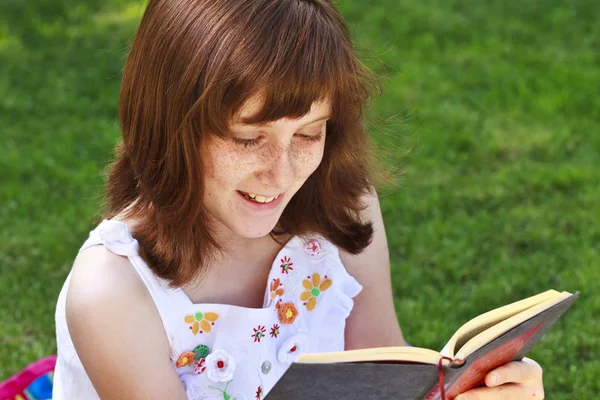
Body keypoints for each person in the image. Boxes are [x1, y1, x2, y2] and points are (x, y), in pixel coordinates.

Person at [53, 0, 545, 399]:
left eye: (309, 134)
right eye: (248, 139)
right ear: (169, 128)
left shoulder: (342, 210)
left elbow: (386, 375)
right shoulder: (113, 291)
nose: (281, 174)